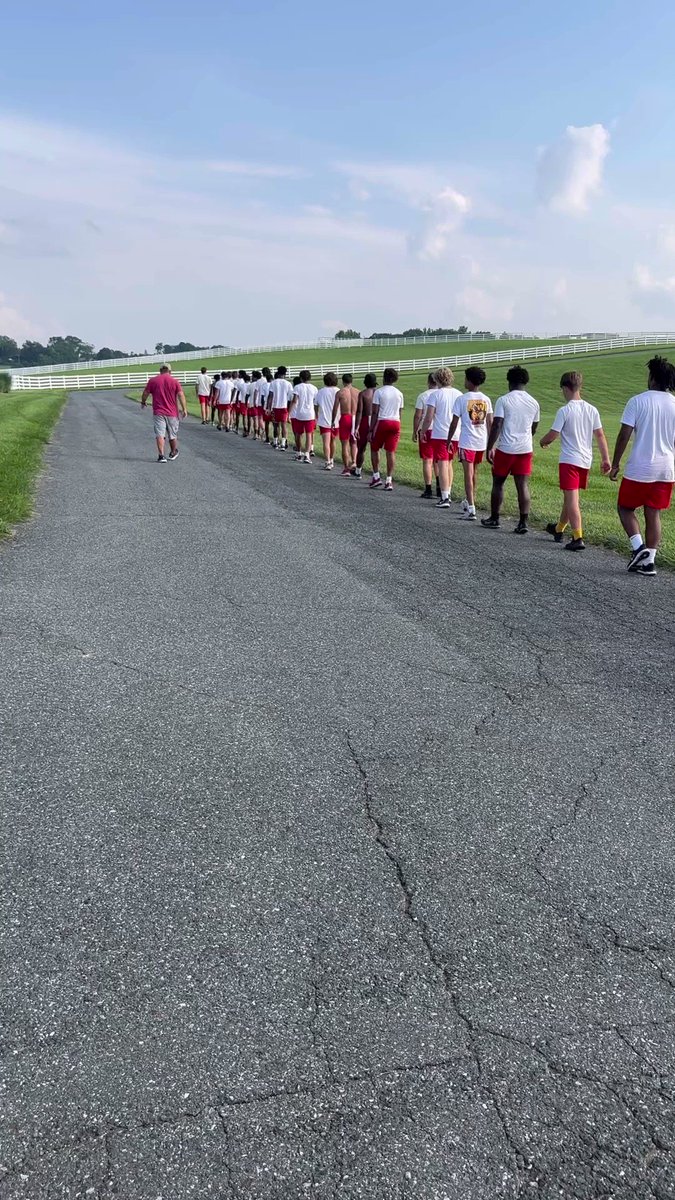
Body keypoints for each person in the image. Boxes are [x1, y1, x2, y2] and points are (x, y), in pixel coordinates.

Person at [610, 355, 675, 577]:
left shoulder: (637, 401)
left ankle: (639, 549)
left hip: (641, 466)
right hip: (666, 468)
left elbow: (623, 435)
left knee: (625, 507)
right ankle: (649, 562)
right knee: (653, 513)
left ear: (653, 378)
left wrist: (615, 463)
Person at [539, 370, 611, 552]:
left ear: (565, 388)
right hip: (585, 460)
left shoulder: (565, 410)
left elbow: (553, 434)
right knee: (570, 496)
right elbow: (600, 435)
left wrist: (543, 441)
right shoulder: (591, 409)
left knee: (572, 501)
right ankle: (558, 529)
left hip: (569, 460)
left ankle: (578, 537)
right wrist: (605, 458)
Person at [482, 365, 540, 534]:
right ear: (525, 382)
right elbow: (534, 427)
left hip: (506, 448)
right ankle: (523, 522)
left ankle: (495, 518)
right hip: (525, 448)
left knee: (498, 483)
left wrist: (490, 446)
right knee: (522, 485)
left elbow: (497, 424)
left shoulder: (504, 400)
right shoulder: (533, 402)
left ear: (509, 381)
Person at [448, 368, 492, 520]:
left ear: (469, 380)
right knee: (474, 474)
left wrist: (449, 440)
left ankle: (471, 509)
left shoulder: (462, 399)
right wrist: (490, 444)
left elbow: (454, 423)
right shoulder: (486, 399)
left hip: (467, 441)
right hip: (481, 442)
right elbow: (490, 423)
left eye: (465, 379)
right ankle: (470, 501)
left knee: (468, 474)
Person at [419, 368, 462, 508]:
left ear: (437, 379)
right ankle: (447, 491)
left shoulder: (435, 395)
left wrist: (422, 431)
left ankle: (445, 497)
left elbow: (428, 417)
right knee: (449, 463)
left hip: (440, 433)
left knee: (442, 463)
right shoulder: (459, 394)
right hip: (455, 433)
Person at [141, 364, 187, 462]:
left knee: (160, 434)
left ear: (160, 370)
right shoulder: (175, 381)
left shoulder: (153, 381)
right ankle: (173, 452)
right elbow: (181, 395)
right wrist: (184, 409)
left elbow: (145, 393)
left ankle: (161, 455)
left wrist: (143, 401)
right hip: (172, 412)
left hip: (158, 411)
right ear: (170, 371)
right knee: (172, 434)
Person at [369, 367, 404, 491]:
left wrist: (371, 429)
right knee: (390, 452)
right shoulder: (399, 393)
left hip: (383, 421)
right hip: (395, 422)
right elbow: (400, 412)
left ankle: (376, 476)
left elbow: (375, 412)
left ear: (384, 377)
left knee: (374, 448)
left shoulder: (379, 392)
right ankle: (389, 480)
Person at [412, 374, 439, 499]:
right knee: (438, 460)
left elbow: (418, 415)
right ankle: (440, 487)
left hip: (426, 429)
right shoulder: (441, 394)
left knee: (427, 460)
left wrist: (415, 431)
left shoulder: (423, 396)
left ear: (428, 381)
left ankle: (428, 488)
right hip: (439, 430)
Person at [351, 373, 377, 478]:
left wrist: (356, 427)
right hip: (375, 420)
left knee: (361, 448)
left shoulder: (363, 394)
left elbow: (359, 412)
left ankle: (358, 470)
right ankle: (376, 473)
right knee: (374, 449)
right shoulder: (377, 393)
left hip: (365, 420)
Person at [289, 369, 318, 462]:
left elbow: (294, 401)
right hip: (310, 414)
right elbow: (315, 402)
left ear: (301, 378)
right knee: (309, 434)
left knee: (298, 434)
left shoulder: (297, 387)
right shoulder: (314, 388)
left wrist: (289, 413)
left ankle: (298, 453)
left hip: (299, 414)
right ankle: (307, 455)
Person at [333, 373, 359, 475]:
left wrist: (332, 421)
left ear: (343, 381)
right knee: (354, 442)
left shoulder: (340, 393)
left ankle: (346, 468)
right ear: (351, 381)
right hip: (355, 417)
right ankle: (354, 462)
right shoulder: (358, 392)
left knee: (344, 443)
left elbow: (335, 409)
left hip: (345, 417)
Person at [315, 372, 340, 469]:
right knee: (333, 441)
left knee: (326, 442)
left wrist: (316, 415)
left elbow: (316, 405)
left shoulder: (321, 391)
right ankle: (332, 459)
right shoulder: (338, 391)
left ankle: (327, 461)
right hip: (336, 420)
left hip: (324, 420)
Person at [268, 365, 294, 450]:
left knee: (276, 425)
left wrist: (268, 408)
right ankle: (283, 443)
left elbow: (270, 396)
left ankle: (275, 442)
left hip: (275, 407)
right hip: (284, 407)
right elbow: (290, 397)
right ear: (285, 373)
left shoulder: (273, 383)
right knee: (283, 426)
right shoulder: (288, 384)